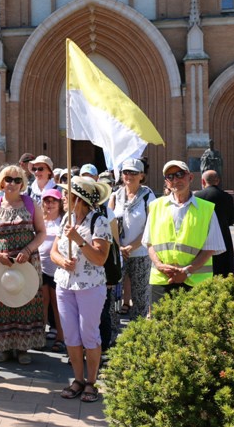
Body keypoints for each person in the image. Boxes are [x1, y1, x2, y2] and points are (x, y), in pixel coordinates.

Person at [51, 176, 112, 403]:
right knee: (71, 335)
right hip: (65, 285)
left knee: (89, 335)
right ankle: (77, 379)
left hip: (90, 286)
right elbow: (54, 252)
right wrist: (61, 262)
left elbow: (100, 258)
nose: (63, 198)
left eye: (67, 194)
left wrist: (78, 240)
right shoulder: (67, 218)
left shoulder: (99, 221)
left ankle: (91, 382)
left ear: (79, 199)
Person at [0, 165, 47, 364]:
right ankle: (5, 347)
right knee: (2, 302)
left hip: (27, 262)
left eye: (18, 180)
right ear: (2, 181)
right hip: (0, 264)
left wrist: (27, 251)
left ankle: (23, 347)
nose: (12, 184)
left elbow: (41, 232)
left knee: (24, 301)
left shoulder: (32, 204)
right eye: (9, 179)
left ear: (23, 184)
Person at [142, 160, 225, 306]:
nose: (175, 180)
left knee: (193, 327)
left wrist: (186, 271)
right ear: (166, 182)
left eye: (180, 174)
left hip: (195, 282)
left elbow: (210, 247)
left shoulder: (206, 209)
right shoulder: (155, 207)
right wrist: (159, 264)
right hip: (162, 280)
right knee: (161, 326)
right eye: (170, 176)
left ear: (190, 177)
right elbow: (149, 242)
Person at [108, 158, 155, 319]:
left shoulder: (148, 196)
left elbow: (151, 225)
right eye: (126, 172)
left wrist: (132, 246)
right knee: (113, 298)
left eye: (133, 173)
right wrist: (119, 247)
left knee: (140, 298)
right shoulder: (115, 196)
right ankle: (113, 336)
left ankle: (139, 336)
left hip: (140, 253)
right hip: (118, 254)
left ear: (141, 175)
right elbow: (108, 223)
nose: (129, 176)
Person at [39, 188, 65, 352]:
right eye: (47, 201)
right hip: (40, 267)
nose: (50, 204)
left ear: (59, 203)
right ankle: (40, 336)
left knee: (57, 305)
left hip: (57, 269)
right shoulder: (39, 220)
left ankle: (60, 338)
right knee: (42, 304)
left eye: (53, 201)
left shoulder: (63, 221)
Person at [195, 170, 234, 277]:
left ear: (203, 181)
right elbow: (231, 220)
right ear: (217, 181)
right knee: (224, 273)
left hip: (204, 239)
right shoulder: (228, 197)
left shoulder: (197, 197)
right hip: (224, 238)